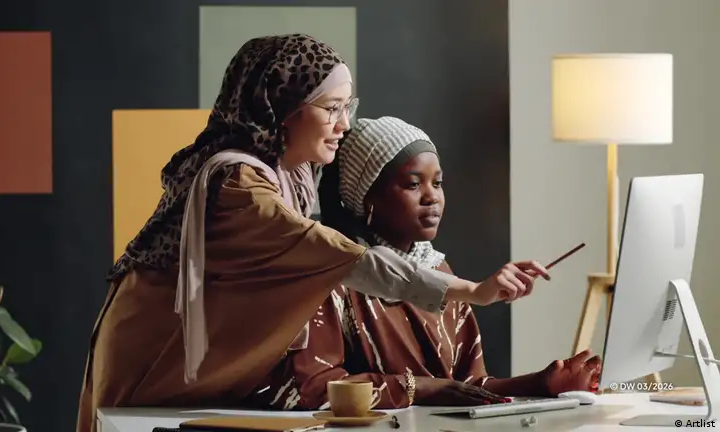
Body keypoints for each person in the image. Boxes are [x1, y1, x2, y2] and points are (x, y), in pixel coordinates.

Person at [75, 35, 550, 432]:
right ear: (282, 109)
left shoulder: (292, 175)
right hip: (156, 360)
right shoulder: (239, 186)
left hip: (201, 371)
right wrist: (472, 291)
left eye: (348, 107)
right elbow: (340, 257)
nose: (344, 124)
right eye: (331, 109)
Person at [244, 116, 601, 410]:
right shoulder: (331, 274)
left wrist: (544, 382)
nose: (432, 197)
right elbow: (310, 388)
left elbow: (465, 387)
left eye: (438, 183)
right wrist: (418, 388)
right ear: (365, 196)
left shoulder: (438, 270)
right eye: (413, 184)